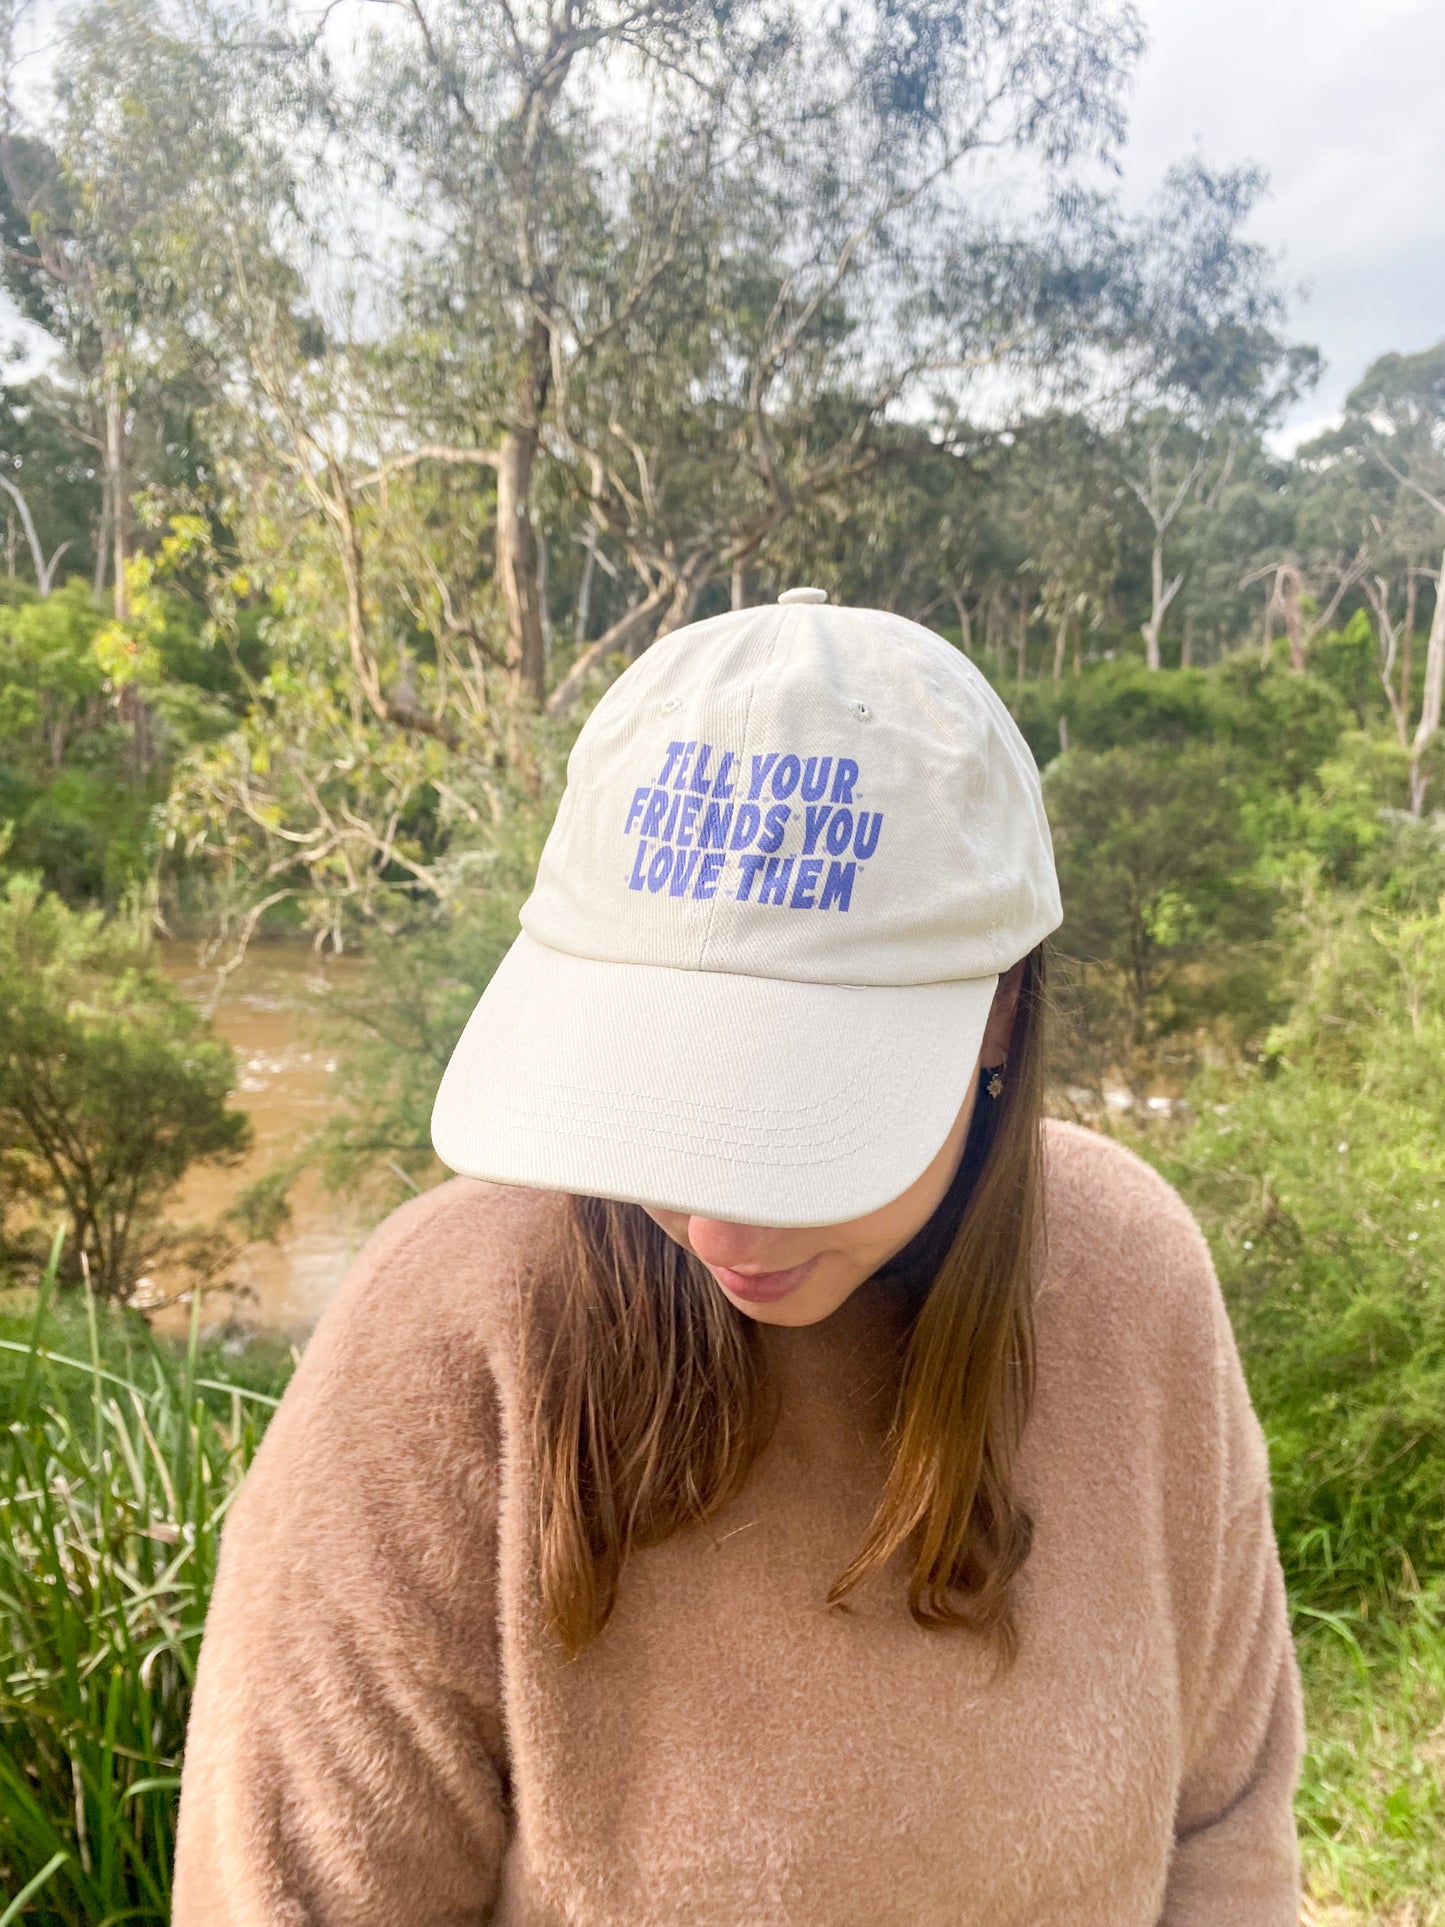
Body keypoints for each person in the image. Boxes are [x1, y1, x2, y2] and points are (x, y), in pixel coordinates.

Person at [172, 589, 1304, 1926]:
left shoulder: (1130, 1282)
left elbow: (1225, 1822)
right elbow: (290, 1898)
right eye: (657, 1089)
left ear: (1000, 1011)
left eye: (795, 1116)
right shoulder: (442, 1335)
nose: (711, 1228)